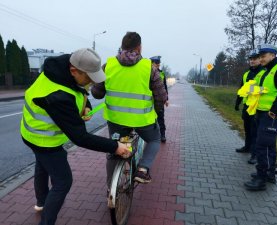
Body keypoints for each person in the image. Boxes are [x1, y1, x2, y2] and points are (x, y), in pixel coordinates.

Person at [20, 48, 131, 225]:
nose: (91, 83)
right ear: (74, 70)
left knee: (42, 165)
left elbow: (78, 90)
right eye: (89, 78)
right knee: (63, 181)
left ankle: (41, 202)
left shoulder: (63, 67)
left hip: (31, 134)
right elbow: (80, 138)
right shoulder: (57, 96)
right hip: (43, 139)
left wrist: (84, 108)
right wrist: (115, 146)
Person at [91, 32, 168, 186]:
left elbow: (96, 93)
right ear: (139, 47)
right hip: (142, 121)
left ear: (122, 46)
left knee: (115, 151)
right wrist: (157, 110)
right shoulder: (149, 67)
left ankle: (110, 190)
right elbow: (161, 96)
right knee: (154, 139)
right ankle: (143, 169)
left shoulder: (108, 65)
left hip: (116, 120)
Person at [244, 44, 277, 191]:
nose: (261, 59)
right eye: (259, 56)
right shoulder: (265, 71)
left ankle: (261, 179)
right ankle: (270, 173)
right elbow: (262, 89)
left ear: (273, 55)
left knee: (262, 145)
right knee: (269, 144)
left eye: (263, 56)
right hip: (262, 112)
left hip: (272, 114)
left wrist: (274, 110)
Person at [235, 49, 266, 164]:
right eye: (251, 59)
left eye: (255, 59)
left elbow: (264, 89)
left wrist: (251, 90)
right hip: (247, 106)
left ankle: (255, 154)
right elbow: (241, 89)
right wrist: (237, 102)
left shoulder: (263, 73)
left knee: (255, 132)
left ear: (259, 59)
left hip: (257, 107)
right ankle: (247, 147)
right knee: (247, 129)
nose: (252, 61)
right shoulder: (246, 74)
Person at [150, 56, 169, 142]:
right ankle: (153, 136)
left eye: (159, 63)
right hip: (150, 101)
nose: (158, 65)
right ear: (151, 63)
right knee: (151, 120)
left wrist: (166, 99)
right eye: (156, 63)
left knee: (160, 118)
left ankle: (162, 135)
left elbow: (164, 87)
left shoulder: (161, 74)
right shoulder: (148, 73)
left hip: (159, 101)